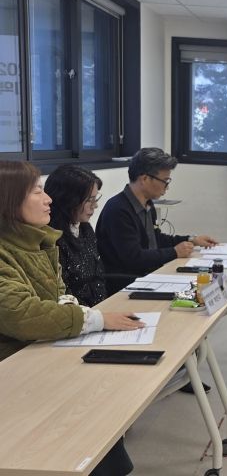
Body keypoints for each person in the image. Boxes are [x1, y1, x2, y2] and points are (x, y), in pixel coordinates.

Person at [0, 160, 143, 476]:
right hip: (16, 371)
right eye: (37, 191)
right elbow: (22, 314)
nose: (47, 199)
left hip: (43, 353)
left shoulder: (40, 240)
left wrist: (76, 311)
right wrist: (95, 320)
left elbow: (60, 292)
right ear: (9, 200)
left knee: (102, 410)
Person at [96, 148, 218, 293]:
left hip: (149, 277)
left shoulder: (147, 204)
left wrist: (191, 239)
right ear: (144, 179)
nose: (167, 187)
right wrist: (174, 252)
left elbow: (155, 239)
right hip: (127, 285)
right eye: (165, 181)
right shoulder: (118, 210)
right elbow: (133, 258)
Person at [45, 165, 107, 307]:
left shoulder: (85, 229)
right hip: (78, 314)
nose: (95, 205)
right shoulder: (52, 239)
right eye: (89, 200)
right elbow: (64, 294)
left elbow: (99, 276)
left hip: (100, 308)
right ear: (68, 200)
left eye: (96, 198)